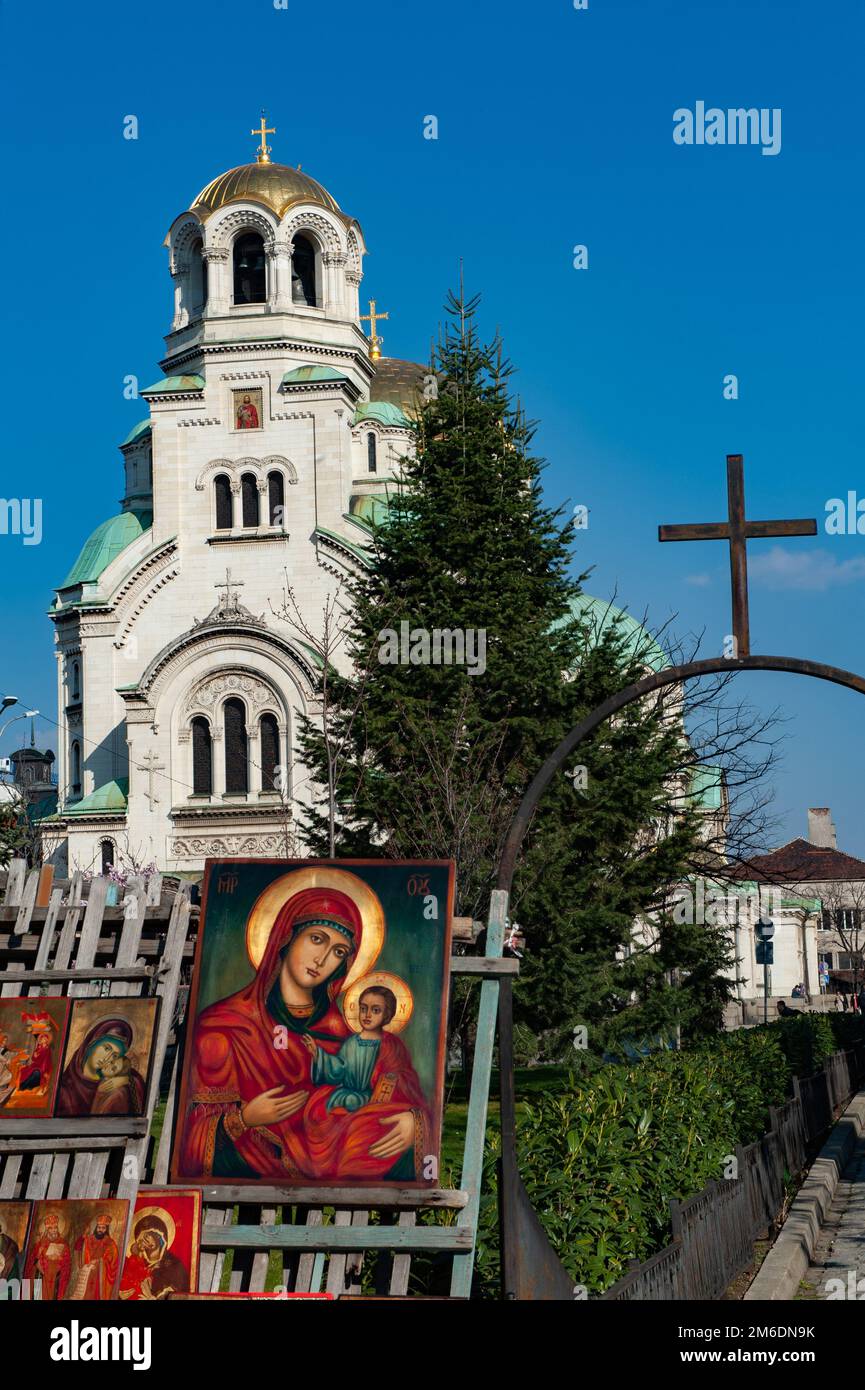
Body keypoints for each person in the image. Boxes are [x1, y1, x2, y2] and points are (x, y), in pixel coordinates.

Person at [178, 886, 430, 1182]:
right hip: (250, 1175)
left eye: (338, 952)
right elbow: (192, 1140)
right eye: (316, 939)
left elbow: (395, 1083)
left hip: (344, 1160)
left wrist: (416, 1122)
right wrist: (242, 1120)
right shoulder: (224, 1027)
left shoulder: (345, 1031)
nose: (322, 959)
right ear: (286, 937)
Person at [56, 1018, 146, 1117]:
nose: (107, 1058)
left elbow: (136, 1080)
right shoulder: (64, 1089)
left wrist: (126, 1080)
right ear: (92, 1044)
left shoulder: (115, 1079)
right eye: (106, 1048)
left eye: (114, 1055)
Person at [119, 1213, 190, 1301]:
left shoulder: (175, 1266)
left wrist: (151, 1299)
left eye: (149, 1234)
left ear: (160, 1236)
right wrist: (119, 1296)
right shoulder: (135, 1263)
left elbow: (182, 1295)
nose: (145, 1239)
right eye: (142, 1236)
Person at [69, 1212, 119, 1300]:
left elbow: (113, 1259)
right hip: (87, 1274)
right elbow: (78, 1246)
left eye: (103, 1228)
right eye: (99, 1227)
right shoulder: (90, 1239)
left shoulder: (110, 1243)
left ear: (106, 1229)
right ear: (96, 1228)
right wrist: (83, 1236)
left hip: (100, 1276)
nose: (100, 1230)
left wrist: (99, 1261)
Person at [26, 1211, 71, 1300]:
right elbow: (32, 1262)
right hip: (41, 1275)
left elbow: (67, 1262)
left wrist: (59, 1259)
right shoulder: (40, 1244)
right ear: (47, 1230)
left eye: (55, 1228)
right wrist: (39, 1254)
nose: (54, 1230)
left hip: (56, 1277)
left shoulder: (63, 1243)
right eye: (51, 1228)